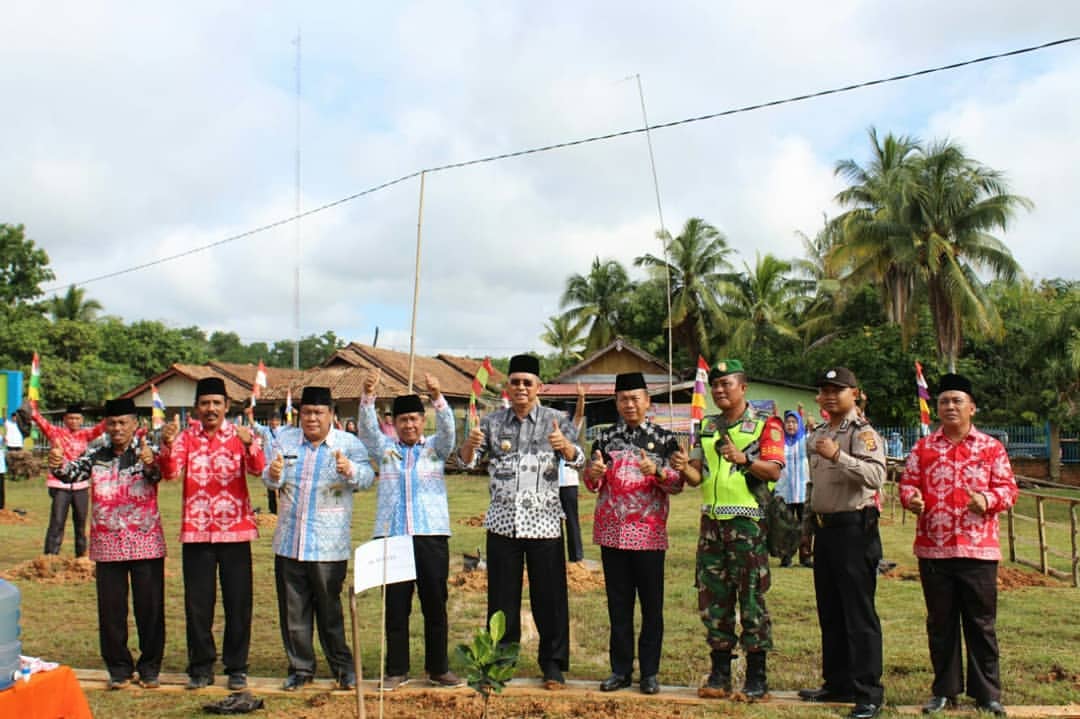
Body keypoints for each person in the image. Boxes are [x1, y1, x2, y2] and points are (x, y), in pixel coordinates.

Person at [459, 353, 583, 689]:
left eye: (528, 382)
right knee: (502, 598)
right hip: (503, 523)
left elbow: (580, 459)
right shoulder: (491, 422)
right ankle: (501, 661)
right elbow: (468, 463)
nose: (522, 388)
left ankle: (553, 664)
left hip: (543, 523)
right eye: (515, 382)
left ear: (539, 386)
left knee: (551, 598)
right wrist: (469, 447)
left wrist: (566, 448)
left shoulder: (558, 419)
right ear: (507, 386)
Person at [899, 373, 1016, 717]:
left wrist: (987, 499)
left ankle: (987, 693)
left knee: (981, 623)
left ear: (972, 408)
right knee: (941, 622)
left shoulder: (991, 448)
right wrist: (912, 499)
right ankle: (944, 691)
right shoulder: (923, 447)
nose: (950, 406)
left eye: (957, 401)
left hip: (978, 551)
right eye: (944, 401)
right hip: (934, 550)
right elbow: (906, 484)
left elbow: (1009, 489)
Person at [158, 376, 266, 691]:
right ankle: (201, 667)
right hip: (197, 534)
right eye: (205, 403)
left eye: (216, 403)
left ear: (226, 406)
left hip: (235, 533)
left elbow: (258, 469)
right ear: (196, 408)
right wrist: (166, 445)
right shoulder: (185, 439)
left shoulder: (241, 435)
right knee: (198, 605)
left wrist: (251, 444)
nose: (211, 409)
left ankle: (237, 668)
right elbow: (169, 473)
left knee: (238, 603)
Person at [49, 398, 165, 690]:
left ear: (135, 424)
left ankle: (150, 668)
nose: (117, 428)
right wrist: (57, 465)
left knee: (149, 610)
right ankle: (119, 669)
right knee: (111, 612)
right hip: (107, 544)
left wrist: (150, 464)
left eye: (123, 422)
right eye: (112, 423)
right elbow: (71, 473)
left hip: (145, 543)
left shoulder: (147, 452)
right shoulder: (96, 455)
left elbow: (158, 475)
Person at [357, 370, 462, 691]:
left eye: (415, 419)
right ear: (395, 423)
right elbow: (366, 429)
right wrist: (367, 396)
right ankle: (397, 669)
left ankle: (438, 668)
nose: (410, 425)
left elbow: (449, 430)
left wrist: (437, 395)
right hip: (393, 537)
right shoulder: (384, 450)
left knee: (434, 604)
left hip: (431, 535)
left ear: (422, 420)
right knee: (396, 607)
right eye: (403, 420)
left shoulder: (435, 449)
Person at [585, 372, 688, 695]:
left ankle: (650, 673)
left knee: (651, 607)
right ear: (616, 402)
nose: (629, 404)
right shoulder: (603, 440)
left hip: (649, 535)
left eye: (635, 398)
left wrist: (656, 471)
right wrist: (593, 472)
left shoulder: (665, 439)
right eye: (623, 399)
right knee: (618, 606)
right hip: (612, 533)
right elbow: (591, 484)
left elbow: (677, 485)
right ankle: (620, 670)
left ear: (647, 401)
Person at [687, 359, 783, 699]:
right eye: (715, 385)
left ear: (743, 387)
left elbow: (773, 471)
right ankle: (719, 673)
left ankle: (757, 677)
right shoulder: (707, 427)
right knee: (715, 597)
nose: (719, 390)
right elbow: (698, 475)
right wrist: (683, 467)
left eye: (727, 384)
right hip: (711, 522)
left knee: (752, 598)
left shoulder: (765, 425)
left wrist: (745, 460)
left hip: (748, 523)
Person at [263, 386, 371, 691]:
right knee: (293, 612)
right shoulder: (284, 440)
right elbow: (271, 478)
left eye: (318, 413)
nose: (312, 418)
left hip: (328, 545)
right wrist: (272, 473)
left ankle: (343, 669)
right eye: (306, 413)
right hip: (289, 542)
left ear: (331, 415)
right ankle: (300, 669)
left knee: (330, 611)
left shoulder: (348, 444)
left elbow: (367, 479)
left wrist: (349, 469)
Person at [798, 367, 886, 719]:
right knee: (830, 610)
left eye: (838, 390)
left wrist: (839, 456)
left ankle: (868, 693)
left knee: (858, 614)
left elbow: (877, 476)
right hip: (825, 529)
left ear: (855, 393)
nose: (830, 396)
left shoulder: (862, 434)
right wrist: (806, 529)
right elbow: (814, 486)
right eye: (824, 390)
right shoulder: (818, 433)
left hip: (855, 528)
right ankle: (837, 682)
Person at [31, 404, 107, 557]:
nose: (73, 421)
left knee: (80, 524)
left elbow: (102, 427)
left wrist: (113, 410)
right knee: (57, 522)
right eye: (71, 418)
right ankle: (50, 557)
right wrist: (32, 408)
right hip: (59, 485)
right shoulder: (55, 433)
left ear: (82, 420)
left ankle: (81, 557)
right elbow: (40, 421)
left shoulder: (86, 435)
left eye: (77, 418)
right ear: (65, 419)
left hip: (80, 486)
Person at [775, 410, 812, 568]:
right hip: (785, 491)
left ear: (799, 424)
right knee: (786, 526)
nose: (791, 425)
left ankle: (806, 557)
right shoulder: (780, 441)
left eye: (794, 422)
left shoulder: (806, 440)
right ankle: (786, 557)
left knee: (806, 526)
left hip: (803, 490)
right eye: (788, 422)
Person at [558, 382, 587, 563]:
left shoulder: (569, 433)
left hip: (568, 483)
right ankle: (555, 557)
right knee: (554, 524)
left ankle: (576, 557)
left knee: (572, 521)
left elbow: (578, 415)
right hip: (550, 485)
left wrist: (581, 398)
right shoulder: (546, 434)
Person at [249, 407, 284, 514]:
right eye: (271, 420)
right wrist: (249, 413)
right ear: (269, 421)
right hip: (268, 464)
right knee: (271, 489)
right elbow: (254, 424)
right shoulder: (265, 430)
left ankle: (284, 511)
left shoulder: (283, 431)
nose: (273, 422)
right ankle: (272, 511)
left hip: (281, 464)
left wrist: (294, 414)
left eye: (276, 420)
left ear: (279, 421)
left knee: (283, 488)